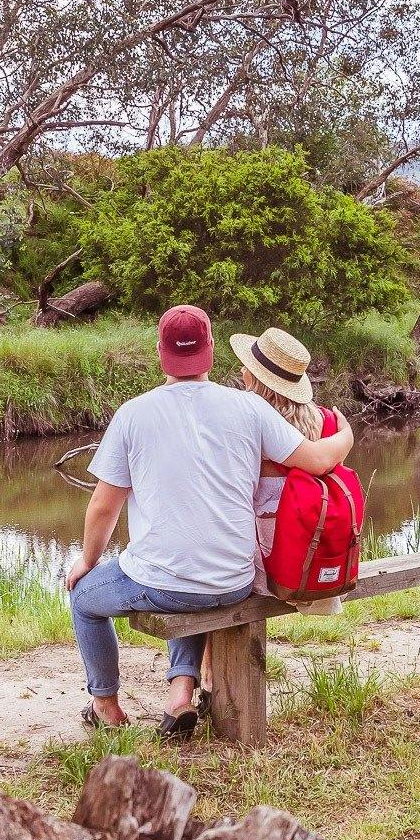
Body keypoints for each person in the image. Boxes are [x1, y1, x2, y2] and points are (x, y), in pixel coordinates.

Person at [67, 304, 353, 738]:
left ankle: (105, 703)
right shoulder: (248, 409)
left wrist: (87, 561)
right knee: (189, 577)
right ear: (212, 352)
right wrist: (346, 434)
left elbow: (104, 508)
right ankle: (180, 693)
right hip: (233, 581)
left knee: (85, 598)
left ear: (161, 354)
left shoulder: (133, 414)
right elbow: (316, 460)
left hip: (167, 584)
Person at [229, 326, 345, 616]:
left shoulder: (252, 420)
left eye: (246, 367)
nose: (242, 369)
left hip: (268, 564)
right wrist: (349, 435)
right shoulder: (324, 420)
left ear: (253, 376)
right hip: (312, 550)